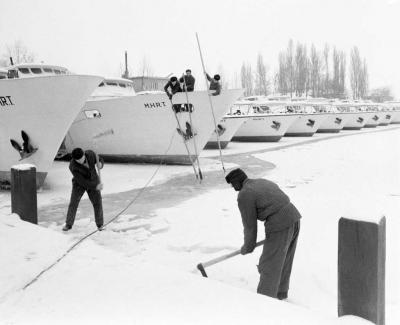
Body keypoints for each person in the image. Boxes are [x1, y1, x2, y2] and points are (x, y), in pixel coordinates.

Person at [225, 168, 301, 300]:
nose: (232, 187)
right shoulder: (261, 181)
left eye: (232, 184)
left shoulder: (244, 194)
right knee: (284, 260)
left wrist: (248, 246)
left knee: (269, 264)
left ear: (237, 181)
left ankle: (264, 302)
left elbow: (249, 225)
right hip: (294, 217)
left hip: (279, 224)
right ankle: (280, 294)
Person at [62, 148, 104, 232]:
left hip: (93, 180)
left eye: (81, 159)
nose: (80, 162)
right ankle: (68, 224)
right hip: (79, 184)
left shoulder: (91, 154)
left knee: (97, 202)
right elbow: (83, 182)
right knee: (73, 202)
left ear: (84, 154)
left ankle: (100, 224)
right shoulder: (72, 166)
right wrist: (96, 186)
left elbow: (100, 159)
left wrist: (100, 164)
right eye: (78, 160)